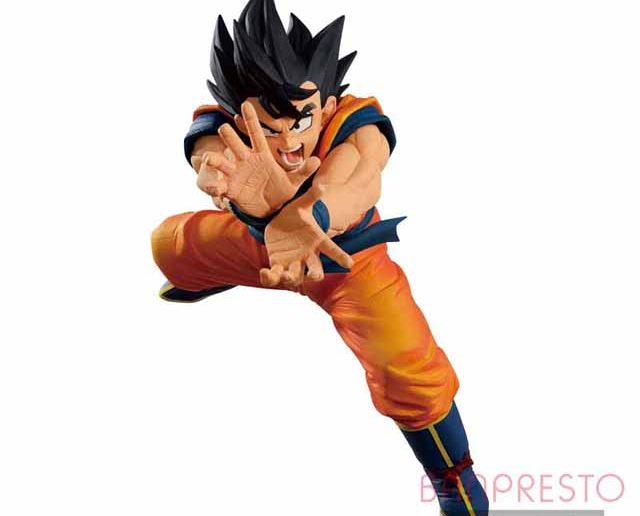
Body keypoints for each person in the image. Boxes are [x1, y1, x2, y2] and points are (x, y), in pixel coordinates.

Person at [151, 1, 489, 513]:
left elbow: (361, 177)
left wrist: (314, 214)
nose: (288, 139)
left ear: (327, 108)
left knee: (408, 369)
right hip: (265, 249)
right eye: (270, 126)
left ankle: (452, 478)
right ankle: (211, 276)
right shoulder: (225, 130)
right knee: (169, 245)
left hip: (349, 263)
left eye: (302, 119)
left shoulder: (356, 127)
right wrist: (225, 184)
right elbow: (208, 157)